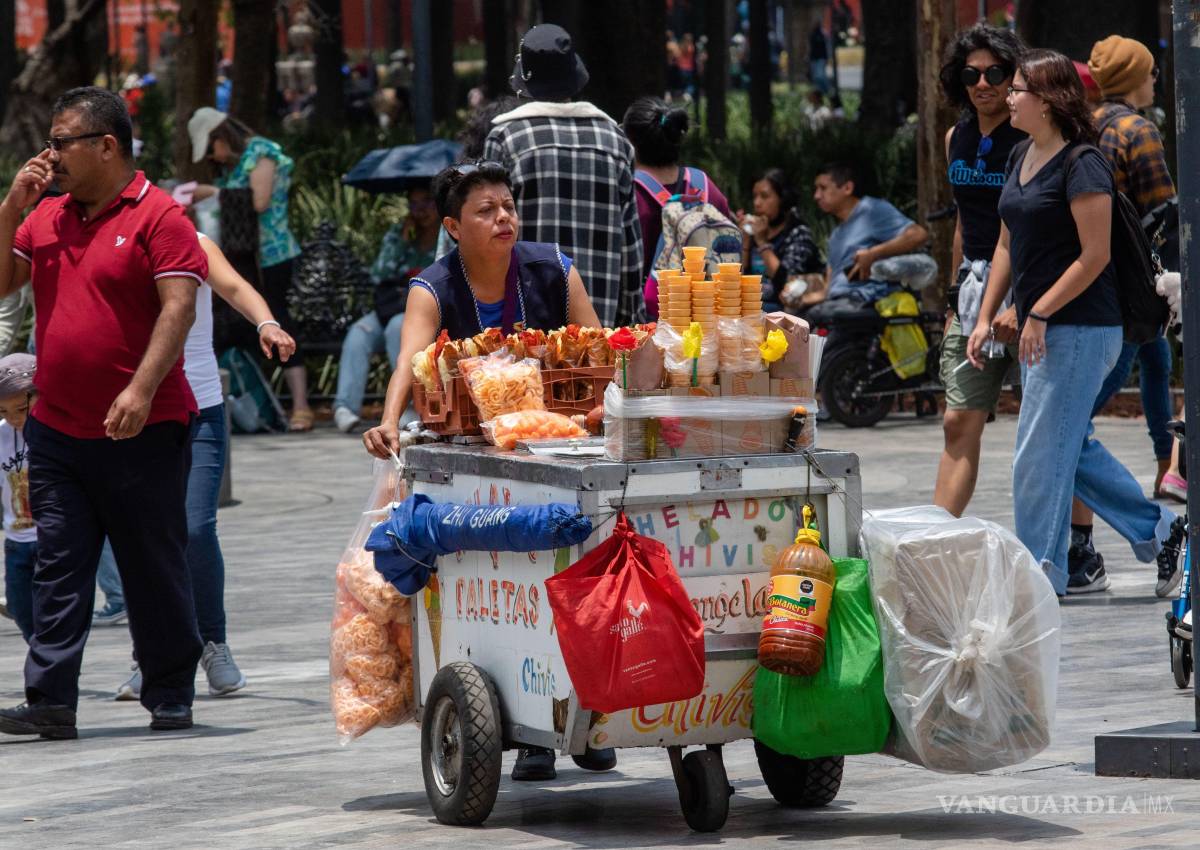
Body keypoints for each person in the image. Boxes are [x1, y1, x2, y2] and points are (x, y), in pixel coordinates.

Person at [362, 162, 613, 782]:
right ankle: (530, 730)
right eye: (486, 210)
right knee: (516, 586)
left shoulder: (553, 267)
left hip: (562, 445)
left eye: (508, 206)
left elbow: (601, 346)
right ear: (452, 226)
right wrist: (389, 418)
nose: (504, 218)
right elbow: (409, 361)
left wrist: (612, 400)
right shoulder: (433, 285)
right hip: (479, 460)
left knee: (580, 563)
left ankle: (591, 709)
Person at [0, 86, 207, 738]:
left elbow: (179, 308)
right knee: (59, 565)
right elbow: (1, 284)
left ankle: (170, 689)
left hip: (144, 425)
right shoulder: (46, 215)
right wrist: (10, 207)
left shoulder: (160, 216)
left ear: (106, 146)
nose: (50, 154)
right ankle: (51, 700)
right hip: (57, 426)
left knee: (151, 563)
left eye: (62, 141)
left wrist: (141, 389)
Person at [965, 50, 1183, 598]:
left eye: (1017, 89)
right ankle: (1165, 535)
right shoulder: (1021, 155)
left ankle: (1039, 577)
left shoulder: (1082, 163)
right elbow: (1006, 244)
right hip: (1044, 331)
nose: (1006, 97)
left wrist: (1038, 310)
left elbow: (1095, 256)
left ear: (1049, 100)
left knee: (1038, 455)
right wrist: (985, 314)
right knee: (1066, 447)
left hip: (1084, 328)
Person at [106, 233, 296, 701]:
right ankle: (148, 657)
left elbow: (234, 287)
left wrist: (266, 323)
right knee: (143, 534)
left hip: (201, 409)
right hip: (137, 409)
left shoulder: (188, 240)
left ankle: (213, 645)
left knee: (194, 527)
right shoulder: (109, 242)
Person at [1065, 36, 1181, 587]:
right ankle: (1153, 529)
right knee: (1073, 425)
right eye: (1152, 72)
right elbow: (1162, 213)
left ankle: (1169, 468)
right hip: (1132, 292)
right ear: (1137, 76)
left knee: (1155, 365)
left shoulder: (1088, 125)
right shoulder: (1138, 130)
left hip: (1103, 289)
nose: (1156, 79)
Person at [483, 23, 645, 328]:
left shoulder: (506, 137)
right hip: (598, 330)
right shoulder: (614, 139)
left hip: (523, 329)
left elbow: (484, 236)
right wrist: (628, 322)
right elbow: (631, 247)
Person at [932, 24, 1027, 517]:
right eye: (971, 73)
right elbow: (962, 224)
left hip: (1029, 287)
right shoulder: (957, 136)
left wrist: (1023, 304)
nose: (983, 83)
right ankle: (936, 535)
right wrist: (953, 300)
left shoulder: (1033, 132)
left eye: (995, 72)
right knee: (957, 419)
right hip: (973, 291)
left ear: (1016, 75)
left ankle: (1080, 547)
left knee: (1047, 431)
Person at [186, 108, 313, 432]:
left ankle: (301, 405)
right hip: (245, 256)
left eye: (212, 146)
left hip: (273, 254)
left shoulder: (261, 151)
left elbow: (259, 200)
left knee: (279, 318)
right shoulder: (234, 166)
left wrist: (212, 192)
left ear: (221, 137)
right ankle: (263, 403)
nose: (213, 155)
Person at [333, 186, 440, 434]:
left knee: (397, 329)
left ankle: (411, 406)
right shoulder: (400, 234)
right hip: (389, 306)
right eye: (414, 204)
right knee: (359, 332)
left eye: (426, 203)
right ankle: (345, 407)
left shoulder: (446, 237)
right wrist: (402, 239)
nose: (421, 210)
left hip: (420, 313)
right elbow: (379, 273)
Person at [621, 97, 734, 316]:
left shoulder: (628, 193)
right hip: (705, 324)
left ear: (630, 143)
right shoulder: (706, 187)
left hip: (649, 326)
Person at [813, 162, 930, 305]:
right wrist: (800, 298)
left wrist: (873, 253)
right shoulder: (835, 236)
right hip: (835, 304)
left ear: (847, 188)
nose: (817, 196)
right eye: (816, 189)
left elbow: (918, 235)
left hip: (864, 302)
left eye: (823, 188)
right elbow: (830, 288)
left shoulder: (872, 210)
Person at [738, 169, 823, 311]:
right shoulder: (755, 231)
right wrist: (745, 241)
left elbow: (786, 282)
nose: (757, 203)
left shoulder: (798, 233)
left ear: (782, 199)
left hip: (783, 312)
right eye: (755, 196)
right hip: (753, 307)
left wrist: (762, 243)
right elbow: (741, 280)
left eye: (764, 196)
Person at [0, 354, 37, 643]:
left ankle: (52, 663)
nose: (13, 419)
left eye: (21, 409)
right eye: (3, 411)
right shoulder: (1, 435)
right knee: (20, 606)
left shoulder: (54, 431)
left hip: (53, 539)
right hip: (16, 542)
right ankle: (41, 651)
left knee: (55, 611)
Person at [809, 23, 831, 95]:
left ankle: (827, 90)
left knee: (820, 76)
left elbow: (827, 47)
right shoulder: (812, 35)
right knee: (816, 77)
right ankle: (820, 92)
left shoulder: (823, 35)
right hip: (814, 58)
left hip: (821, 58)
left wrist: (827, 57)